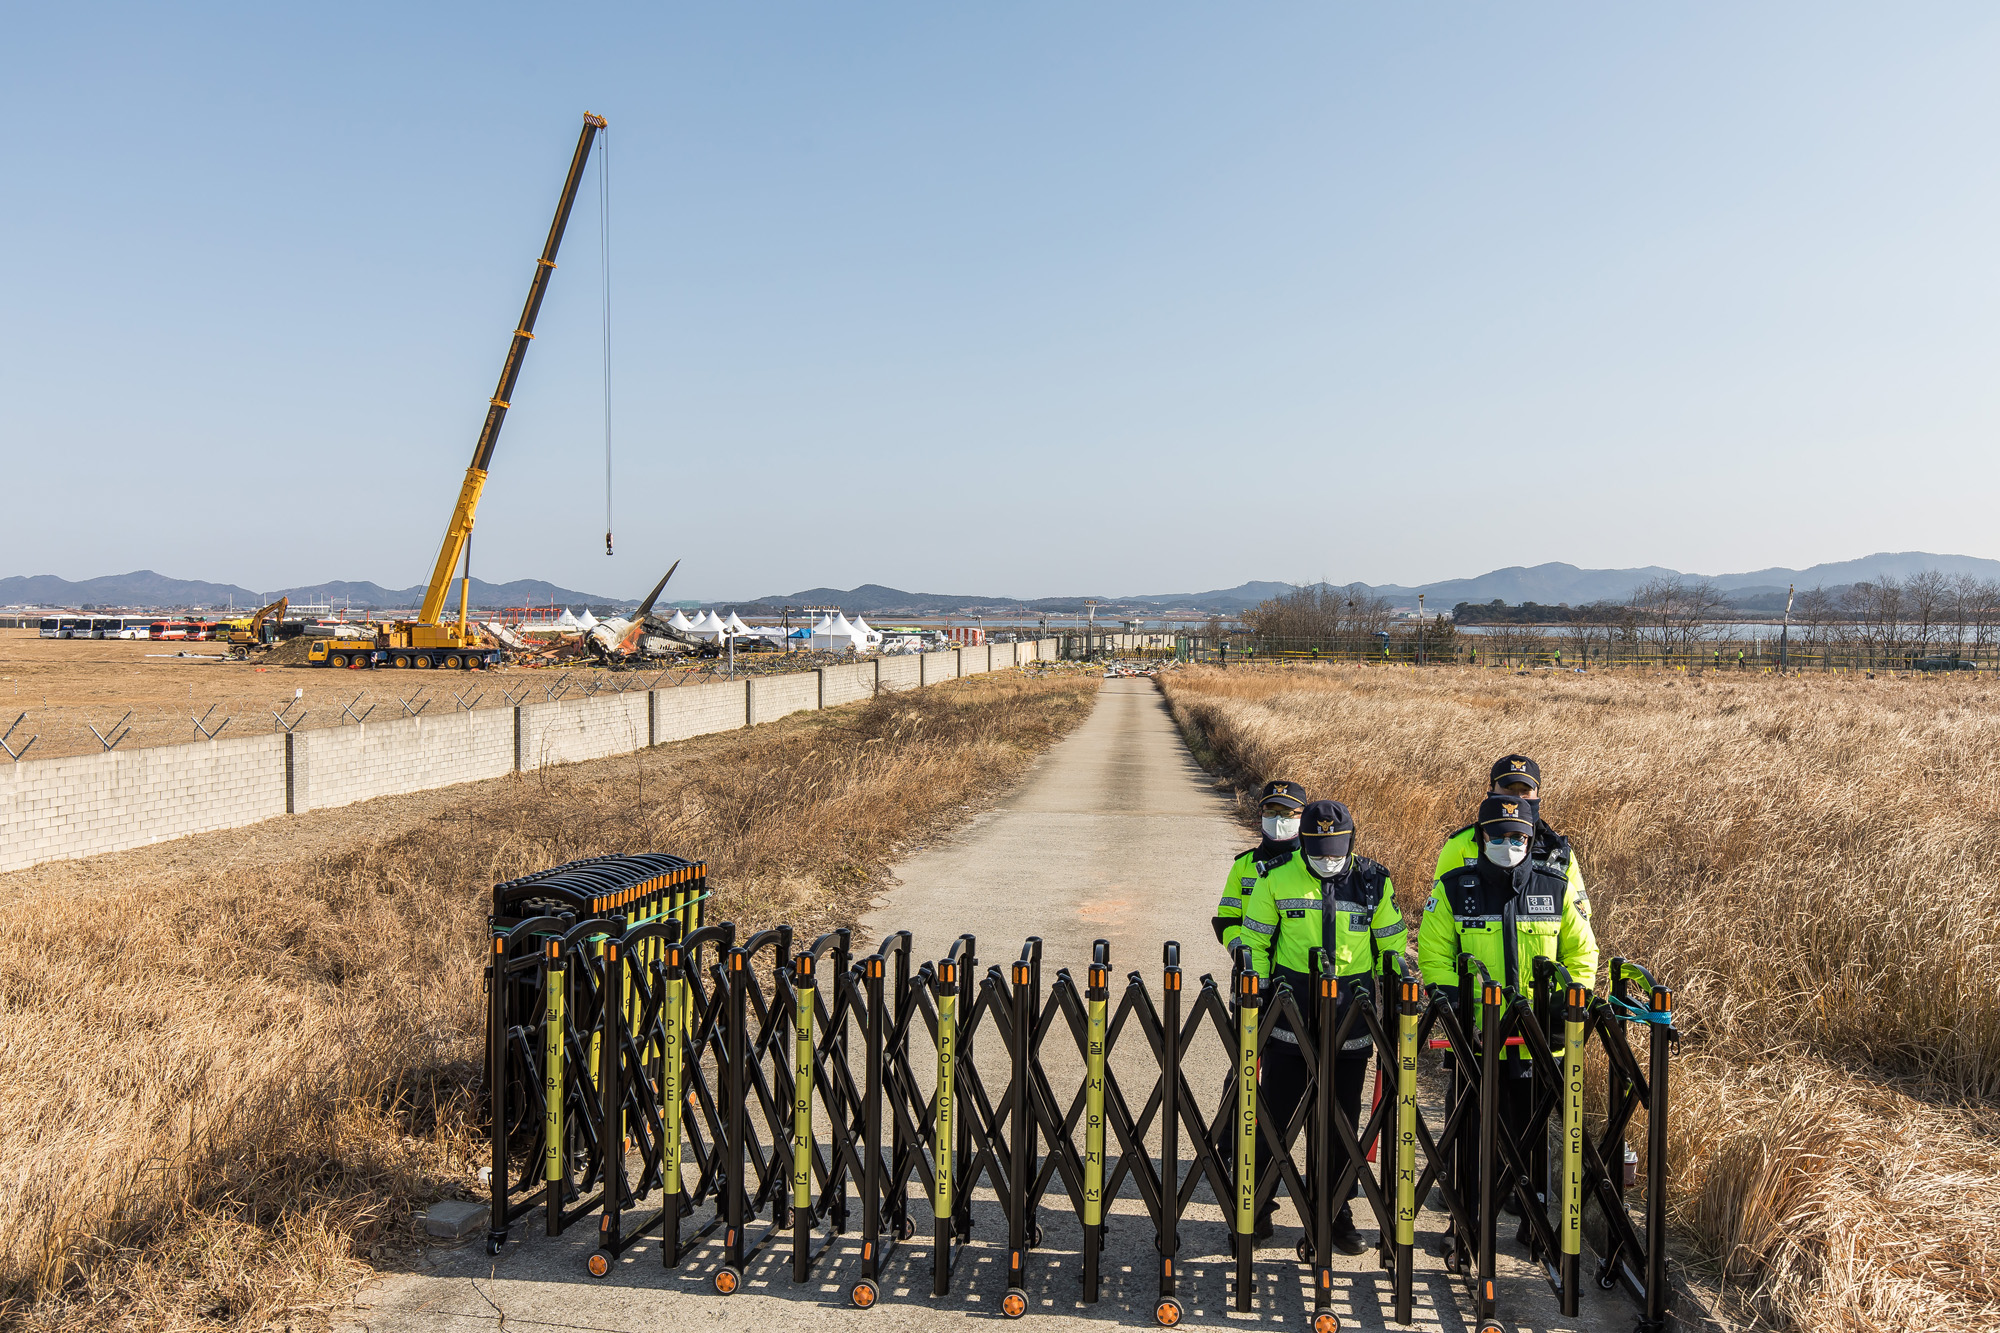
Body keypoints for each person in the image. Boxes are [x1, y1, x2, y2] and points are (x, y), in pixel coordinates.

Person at [1418, 794, 1598, 1242]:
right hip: (1477, 1036)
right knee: (1473, 1130)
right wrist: (1458, 1009)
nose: (1508, 844)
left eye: (1518, 836)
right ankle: (1468, 1222)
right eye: (1498, 835)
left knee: (1533, 1128)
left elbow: (1582, 954)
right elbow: (1435, 953)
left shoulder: (1554, 887)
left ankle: (1532, 1223)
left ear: (1531, 837)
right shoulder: (1455, 888)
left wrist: (1560, 1011)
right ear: (1481, 837)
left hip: (1538, 1035)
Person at [1239, 800, 1405, 1252]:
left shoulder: (1373, 880)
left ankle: (1335, 1213)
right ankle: (1256, 1208)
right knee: (1272, 1118)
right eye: (1318, 852)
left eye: (1336, 851)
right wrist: (1256, 982)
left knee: (1340, 1124)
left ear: (1351, 842)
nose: (1328, 860)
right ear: (1303, 844)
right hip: (1289, 1018)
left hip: (1350, 1019)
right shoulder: (1276, 877)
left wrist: (1398, 989)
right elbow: (1253, 938)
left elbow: (1391, 945)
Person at [1432, 755, 1585, 907]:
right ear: (1491, 790)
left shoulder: (1558, 850)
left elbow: (1579, 912)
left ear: (1538, 794)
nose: (1517, 799)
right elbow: (1441, 903)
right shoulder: (1460, 845)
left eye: (1525, 791)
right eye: (1509, 790)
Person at [1213, 779, 1306, 951]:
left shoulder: (1313, 866)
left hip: (1299, 971)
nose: (1278, 820)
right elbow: (1227, 918)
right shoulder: (1244, 865)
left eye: (1287, 813)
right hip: (1251, 969)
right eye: (1270, 813)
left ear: (1304, 817)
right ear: (1260, 815)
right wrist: (1240, 952)